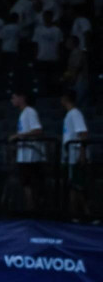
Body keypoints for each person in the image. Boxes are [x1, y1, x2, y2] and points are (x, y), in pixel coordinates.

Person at [9, 91, 45, 212]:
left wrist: (19, 136)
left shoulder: (30, 112)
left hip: (32, 156)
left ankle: (33, 210)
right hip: (24, 156)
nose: (11, 100)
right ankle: (30, 209)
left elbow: (38, 130)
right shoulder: (23, 113)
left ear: (22, 97)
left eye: (14, 97)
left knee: (30, 184)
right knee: (25, 184)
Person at [61, 92, 90, 220]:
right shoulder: (69, 115)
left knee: (78, 187)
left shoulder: (75, 113)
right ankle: (75, 215)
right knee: (73, 186)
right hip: (71, 157)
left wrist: (82, 154)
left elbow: (83, 133)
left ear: (65, 98)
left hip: (77, 156)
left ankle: (87, 214)